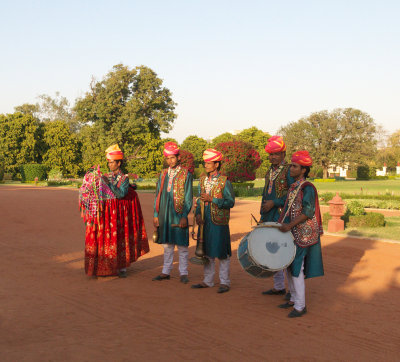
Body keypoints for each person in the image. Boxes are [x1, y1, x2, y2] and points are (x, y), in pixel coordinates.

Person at [81, 144, 149, 278]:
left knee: (120, 238)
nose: (110, 165)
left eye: (112, 162)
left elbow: (121, 194)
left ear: (119, 163)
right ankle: (103, 265)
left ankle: (121, 267)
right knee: (105, 239)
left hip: (119, 215)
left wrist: (108, 183)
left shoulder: (124, 178)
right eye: (109, 162)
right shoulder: (106, 176)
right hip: (107, 213)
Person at [277, 150, 324, 317]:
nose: (291, 168)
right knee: (289, 266)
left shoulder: (307, 187)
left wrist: (289, 225)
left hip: (302, 233)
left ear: (304, 169)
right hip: (292, 232)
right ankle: (294, 299)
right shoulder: (294, 186)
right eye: (291, 165)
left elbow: (308, 212)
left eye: (294, 166)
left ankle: (300, 306)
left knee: (297, 267)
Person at [191, 149, 235, 293]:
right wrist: (197, 214)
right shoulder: (203, 180)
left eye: (209, 163)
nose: (206, 165)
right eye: (205, 163)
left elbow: (230, 202)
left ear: (217, 164)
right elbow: (198, 200)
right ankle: (208, 281)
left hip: (219, 221)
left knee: (222, 252)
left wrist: (213, 200)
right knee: (207, 250)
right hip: (205, 221)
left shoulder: (224, 181)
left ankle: (225, 282)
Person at [152, 142, 193, 284]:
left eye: (173, 158)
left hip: (178, 213)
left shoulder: (186, 174)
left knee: (181, 245)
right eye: (168, 158)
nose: (170, 161)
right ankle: (166, 271)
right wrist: (156, 214)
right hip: (165, 213)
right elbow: (158, 195)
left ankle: (183, 272)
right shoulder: (163, 174)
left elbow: (188, 197)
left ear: (178, 158)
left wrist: (184, 216)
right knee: (167, 245)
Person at [260, 136, 294, 299]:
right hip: (269, 215)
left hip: (283, 216)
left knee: (285, 251)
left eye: (276, 154)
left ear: (283, 154)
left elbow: (293, 194)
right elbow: (264, 195)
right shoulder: (269, 172)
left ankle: (293, 291)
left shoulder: (289, 170)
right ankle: (279, 286)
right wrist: (262, 215)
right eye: (271, 154)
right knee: (273, 250)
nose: (273, 157)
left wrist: (275, 202)